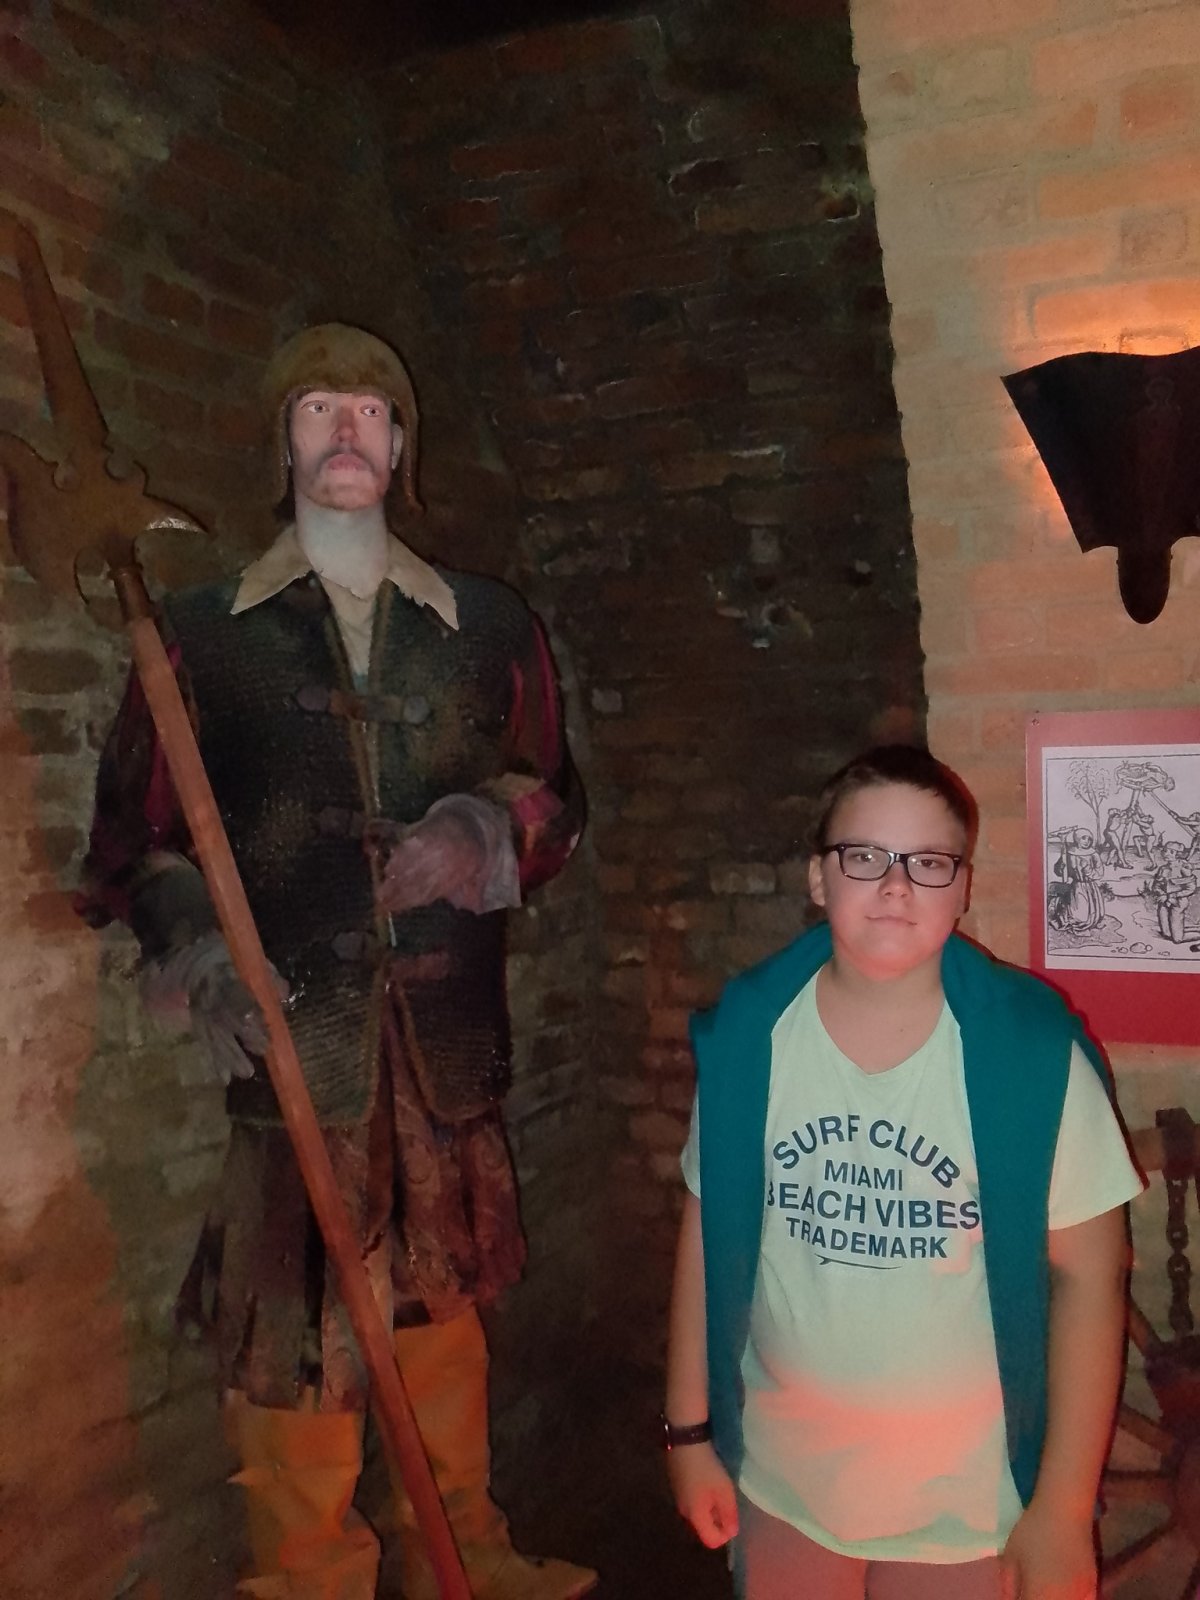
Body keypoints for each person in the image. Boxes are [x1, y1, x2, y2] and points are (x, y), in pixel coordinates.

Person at [78, 323, 595, 1600]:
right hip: (293, 1033)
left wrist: (481, 829)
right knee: (293, 1337)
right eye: (317, 407)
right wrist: (201, 951)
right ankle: (310, 1580)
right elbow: (133, 843)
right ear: (285, 444)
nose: (346, 428)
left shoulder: (487, 623)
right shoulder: (199, 635)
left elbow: (553, 795)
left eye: (370, 409)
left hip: (443, 1041)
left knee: (443, 1311)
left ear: (402, 445)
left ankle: (464, 1555)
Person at [664, 745, 1141, 1600]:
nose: (895, 886)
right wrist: (688, 1434)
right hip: (783, 1487)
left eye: (927, 863)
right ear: (819, 877)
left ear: (962, 889)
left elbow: (1091, 1279)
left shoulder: (1032, 1057)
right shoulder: (748, 1042)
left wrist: (1065, 1510)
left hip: (968, 1508)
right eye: (865, 856)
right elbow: (706, 1233)